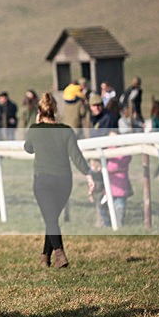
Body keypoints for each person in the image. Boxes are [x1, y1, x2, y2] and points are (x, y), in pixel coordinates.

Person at [24, 93, 95, 268]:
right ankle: (44, 257)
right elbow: (76, 157)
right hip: (64, 181)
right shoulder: (66, 130)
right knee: (52, 218)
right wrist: (88, 174)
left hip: (43, 180)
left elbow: (28, 148)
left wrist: (37, 125)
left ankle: (60, 254)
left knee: (51, 219)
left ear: (39, 111)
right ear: (55, 110)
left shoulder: (34, 129)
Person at [98, 130, 133, 229]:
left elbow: (116, 165)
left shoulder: (122, 153)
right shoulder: (105, 152)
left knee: (119, 208)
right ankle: (107, 224)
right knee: (103, 207)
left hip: (120, 187)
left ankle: (118, 227)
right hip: (109, 188)